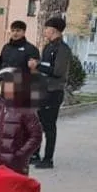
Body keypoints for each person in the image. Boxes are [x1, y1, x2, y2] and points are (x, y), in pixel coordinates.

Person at [29, 17, 71, 170]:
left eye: (46, 28)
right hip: (42, 89)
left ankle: (48, 159)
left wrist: (38, 65)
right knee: (38, 123)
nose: (44, 31)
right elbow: (44, 67)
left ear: (53, 30)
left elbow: (58, 72)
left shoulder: (63, 49)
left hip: (53, 91)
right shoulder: (48, 47)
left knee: (49, 125)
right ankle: (35, 154)